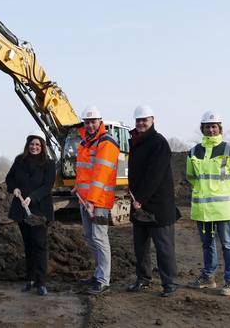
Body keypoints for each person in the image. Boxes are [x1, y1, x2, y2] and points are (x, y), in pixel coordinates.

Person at [186, 111, 230, 296]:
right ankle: (208, 277)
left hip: (223, 209)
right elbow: (191, 177)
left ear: (219, 128)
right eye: (207, 127)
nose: (211, 130)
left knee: (228, 245)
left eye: (214, 126)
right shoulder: (194, 151)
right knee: (207, 245)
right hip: (203, 209)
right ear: (202, 129)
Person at [127, 105, 180, 298]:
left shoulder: (159, 143)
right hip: (139, 205)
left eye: (145, 120)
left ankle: (170, 283)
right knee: (140, 247)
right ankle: (143, 279)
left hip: (157, 205)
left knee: (164, 247)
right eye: (138, 120)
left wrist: (139, 198)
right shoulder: (136, 142)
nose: (141, 123)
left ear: (152, 120)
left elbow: (155, 175)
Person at [72, 105, 120, 295]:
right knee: (90, 238)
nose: (90, 125)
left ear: (100, 122)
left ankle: (103, 280)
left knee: (99, 238)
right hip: (86, 199)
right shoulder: (86, 142)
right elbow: (85, 170)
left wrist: (91, 200)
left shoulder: (106, 142)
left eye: (93, 121)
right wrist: (77, 186)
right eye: (87, 122)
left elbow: (101, 173)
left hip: (98, 201)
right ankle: (98, 273)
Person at [5, 130, 56, 296]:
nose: (34, 147)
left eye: (38, 144)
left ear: (43, 146)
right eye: (32, 144)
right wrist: (15, 188)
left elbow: (47, 187)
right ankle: (31, 279)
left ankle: (41, 282)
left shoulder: (49, 164)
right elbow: (9, 179)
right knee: (28, 245)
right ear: (28, 145)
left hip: (39, 210)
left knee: (39, 245)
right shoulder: (20, 160)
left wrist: (32, 198)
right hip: (21, 209)